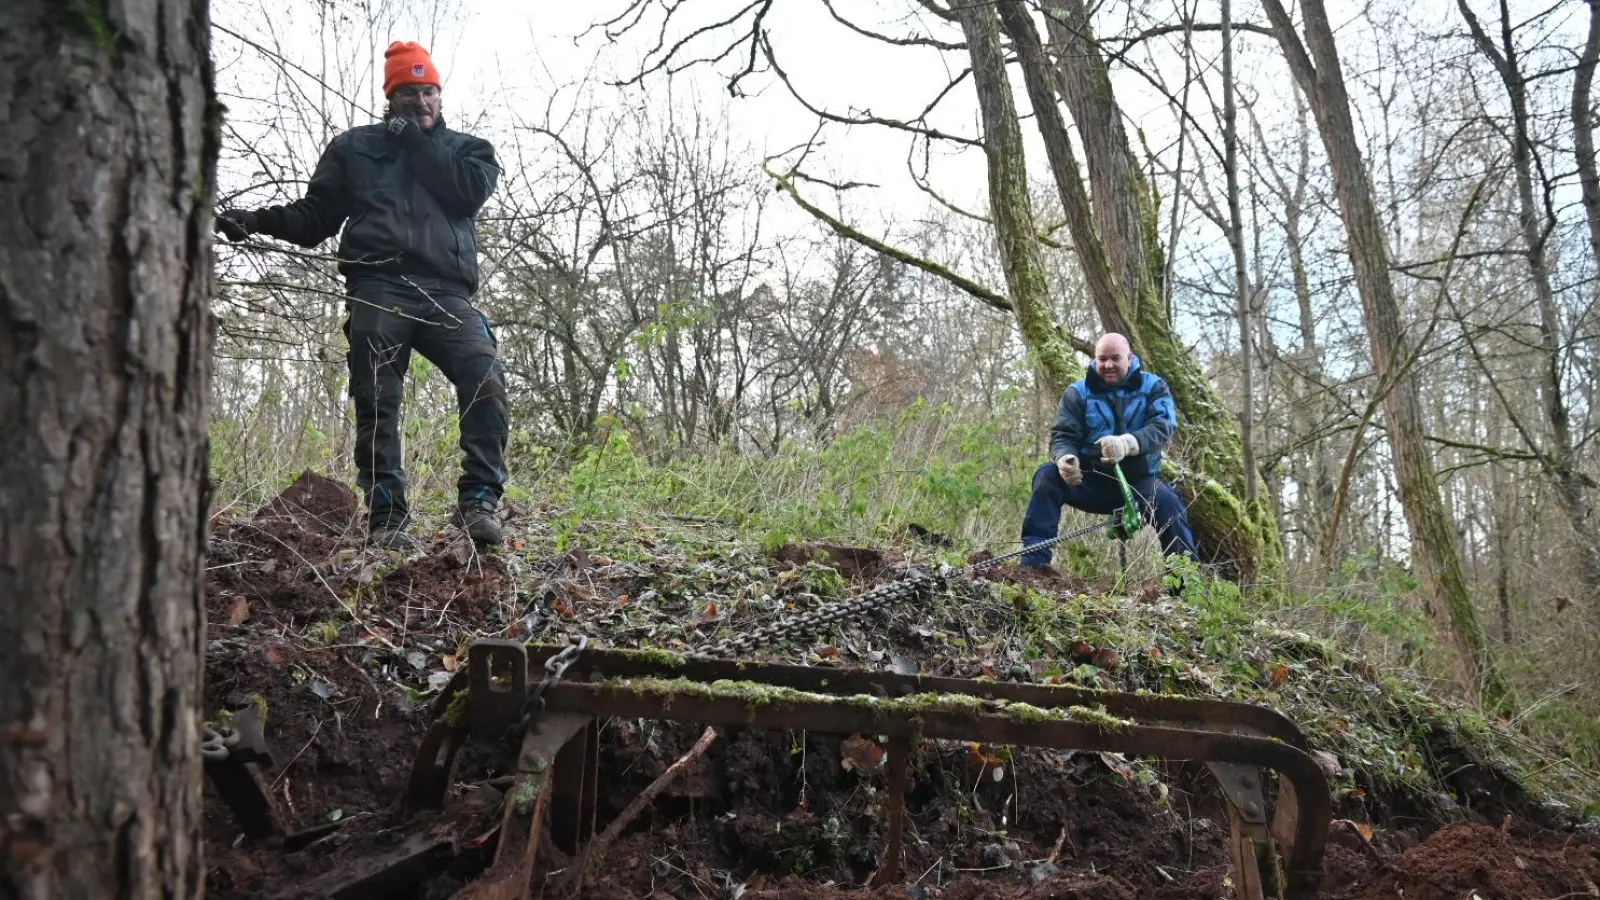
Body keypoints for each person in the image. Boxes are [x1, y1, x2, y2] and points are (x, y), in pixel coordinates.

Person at [216, 42, 506, 549]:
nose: (421, 102)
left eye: (429, 91)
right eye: (409, 92)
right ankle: (388, 517)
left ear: (440, 95)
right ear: (390, 97)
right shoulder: (354, 148)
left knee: (485, 376)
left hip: (446, 292)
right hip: (378, 285)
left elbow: (466, 193)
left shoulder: (470, 151)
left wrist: (412, 142)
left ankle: (478, 503)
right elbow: (314, 219)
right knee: (377, 398)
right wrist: (257, 221)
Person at [1020, 333, 1197, 569]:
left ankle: (1185, 580)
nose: (1108, 365)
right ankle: (1033, 567)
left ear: (1129, 358)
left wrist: (1127, 444)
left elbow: (1163, 426)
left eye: (1115, 358)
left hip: (1138, 483)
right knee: (1047, 476)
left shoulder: (1154, 387)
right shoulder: (1077, 392)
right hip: (1088, 481)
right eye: (1102, 359)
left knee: (1169, 503)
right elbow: (1063, 435)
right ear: (1095, 359)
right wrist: (1065, 458)